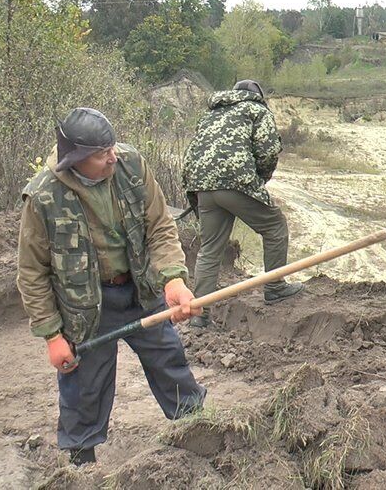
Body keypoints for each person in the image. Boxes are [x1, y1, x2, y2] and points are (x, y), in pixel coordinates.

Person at [17, 107, 206, 466]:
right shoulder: (43, 197)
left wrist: (174, 279)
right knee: (85, 385)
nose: (112, 157)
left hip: (139, 290)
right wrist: (52, 336)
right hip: (85, 306)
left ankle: (198, 427)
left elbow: (160, 226)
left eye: (112, 146)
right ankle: (80, 460)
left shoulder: (132, 166)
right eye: (102, 153)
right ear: (76, 159)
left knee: (169, 359)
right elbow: (32, 272)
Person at [182, 80, 303, 327]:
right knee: (275, 227)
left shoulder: (210, 115)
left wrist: (196, 189)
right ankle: (275, 286)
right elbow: (268, 151)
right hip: (236, 183)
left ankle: (199, 314)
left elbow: (193, 153)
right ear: (257, 96)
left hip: (202, 187)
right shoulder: (257, 110)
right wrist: (259, 180)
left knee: (210, 248)